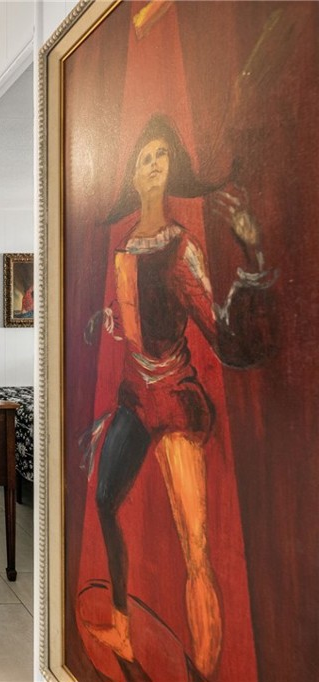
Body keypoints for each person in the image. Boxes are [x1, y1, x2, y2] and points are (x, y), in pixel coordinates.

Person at [83, 114, 275, 677]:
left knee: (196, 547)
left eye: (161, 157)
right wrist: (106, 321)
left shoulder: (182, 248)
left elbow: (223, 335)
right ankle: (122, 630)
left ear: (171, 172)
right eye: (145, 158)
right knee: (104, 502)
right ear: (134, 175)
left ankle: (204, 671)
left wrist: (253, 261)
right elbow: (132, 316)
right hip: (134, 400)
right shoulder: (124, 248)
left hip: (175, 401)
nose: (153, 165)